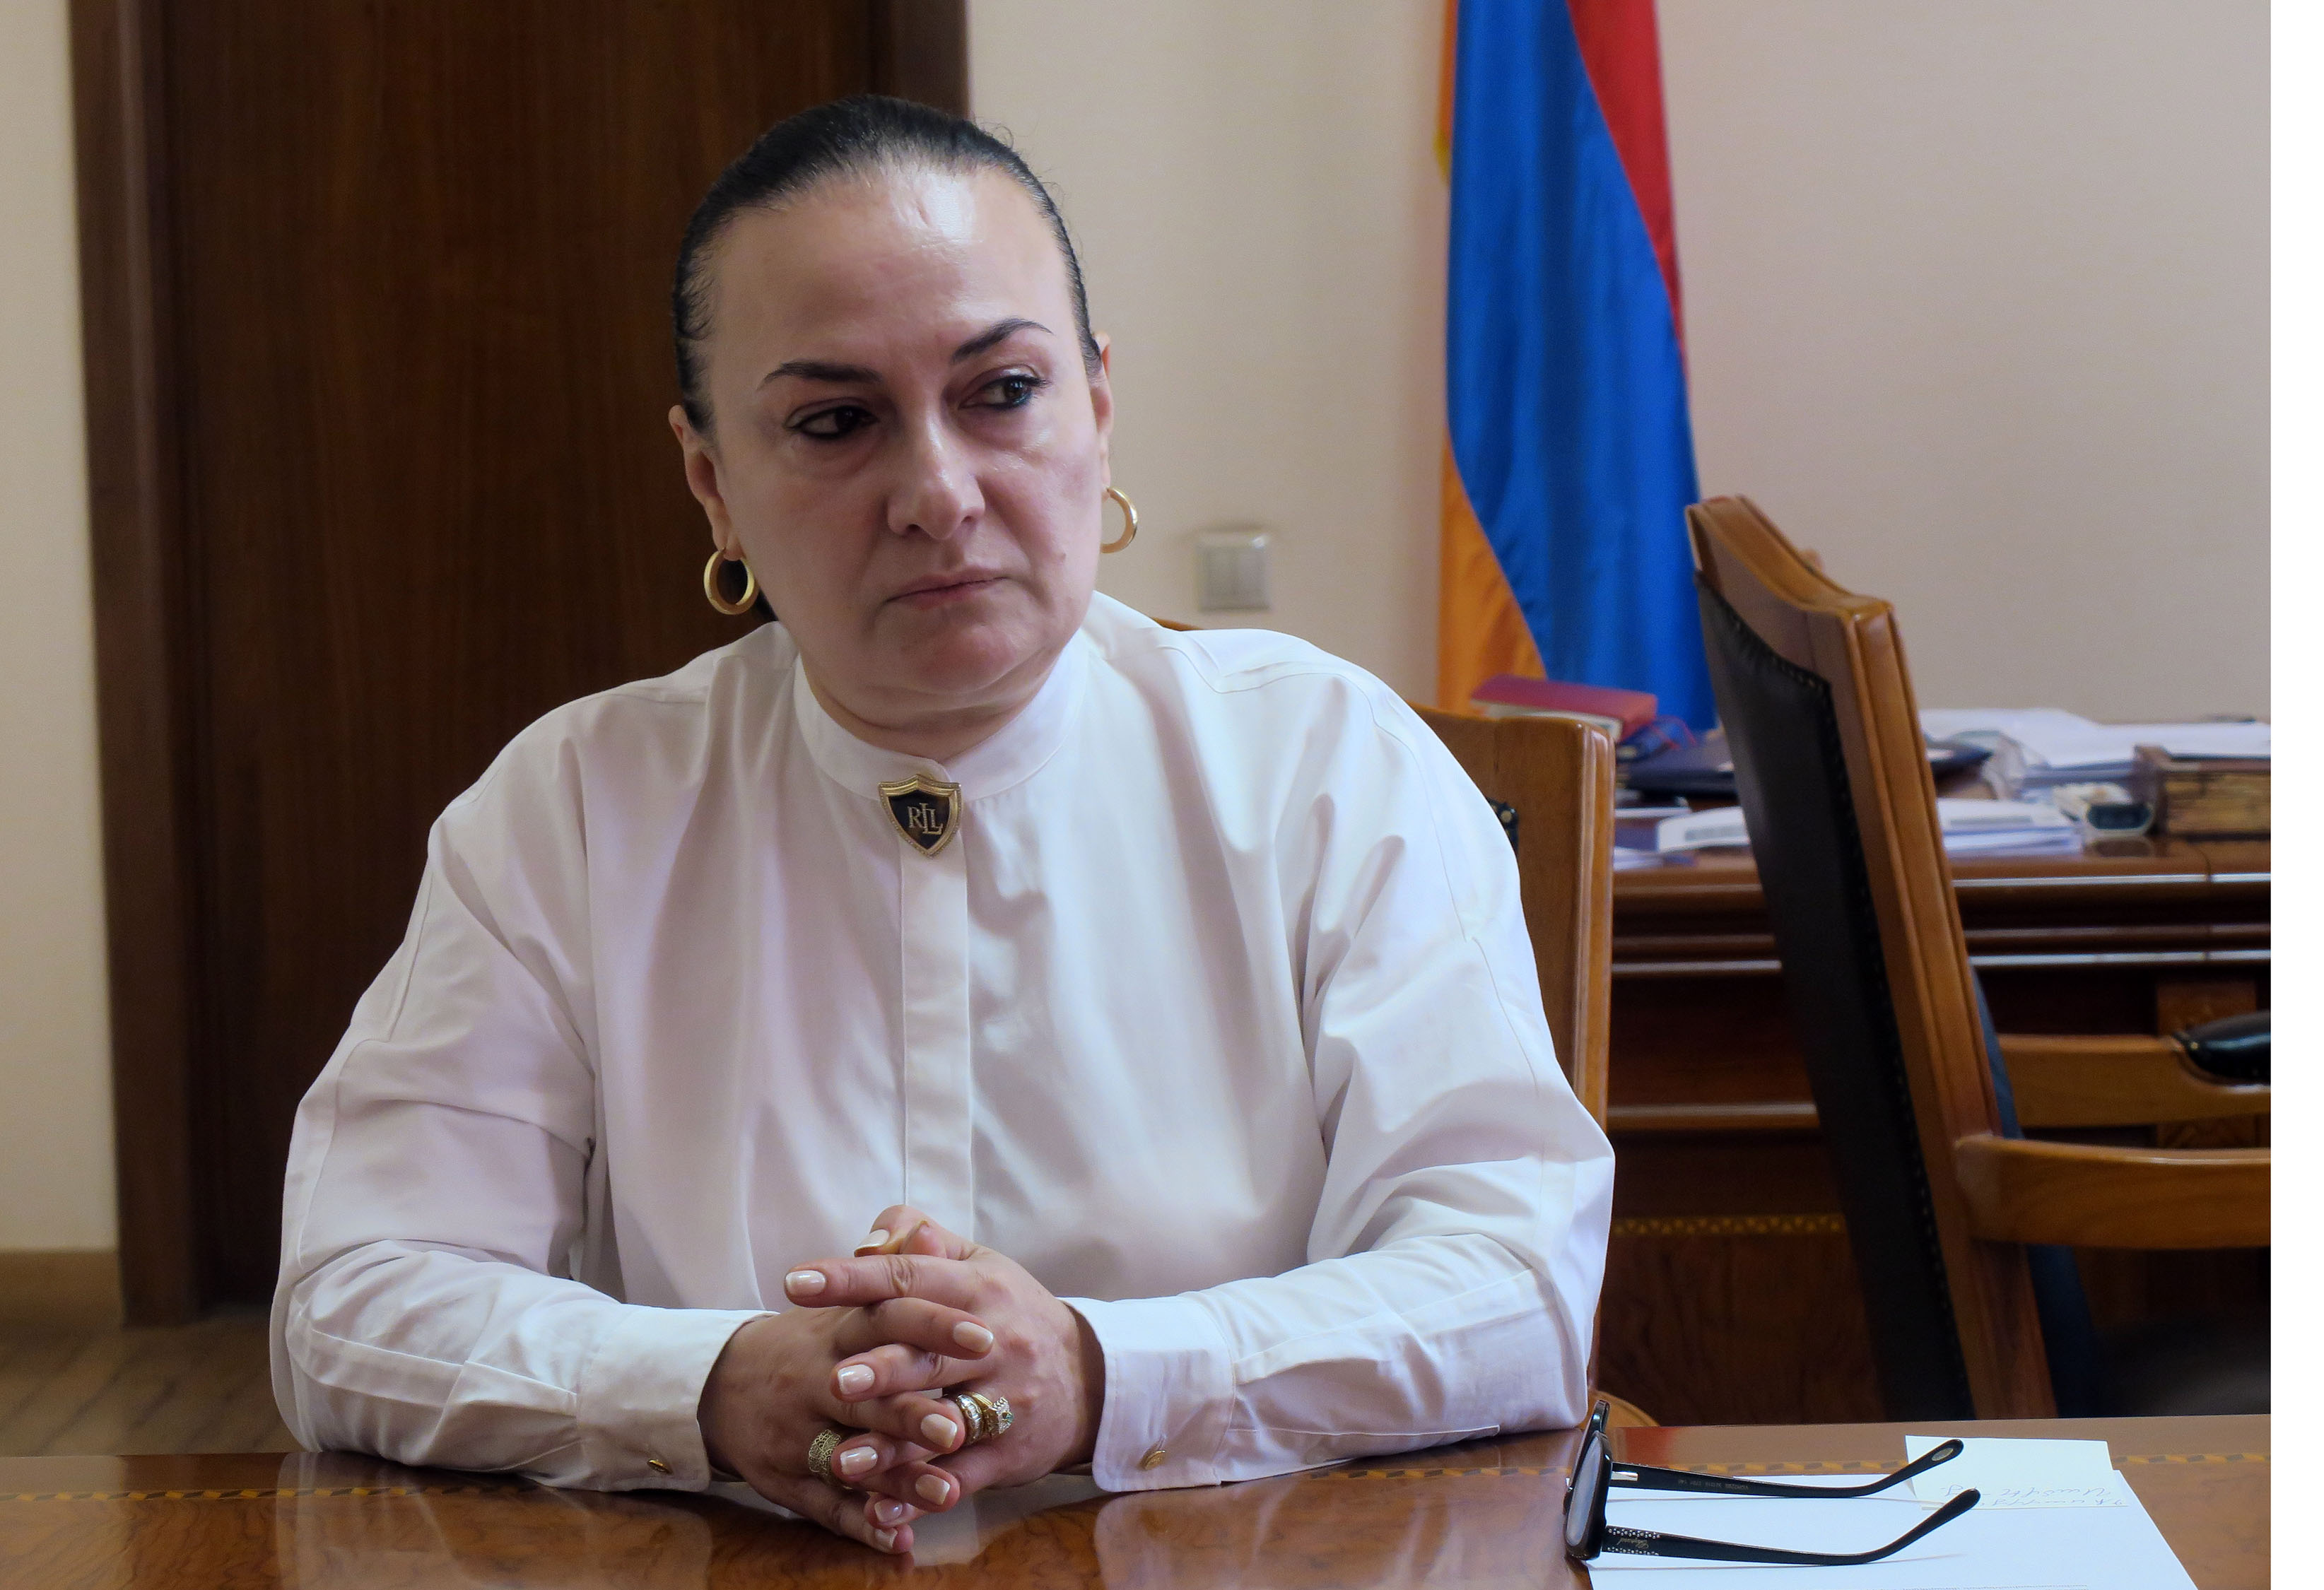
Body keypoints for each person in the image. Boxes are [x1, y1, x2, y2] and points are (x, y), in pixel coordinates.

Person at [269, 94, 1612, 1555]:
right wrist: (708, 1385)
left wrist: (1103, 1375)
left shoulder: (1325, 765)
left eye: (1002, 392)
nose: (937, 492)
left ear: (1097, 405)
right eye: (835, 423)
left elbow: (1515, 1281)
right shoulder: (577, 807)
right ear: (713, 485)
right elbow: (353, 1301)